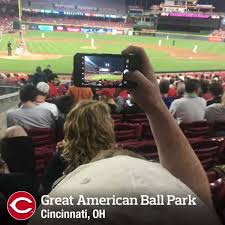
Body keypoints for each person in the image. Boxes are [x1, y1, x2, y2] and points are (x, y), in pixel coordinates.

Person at [29, 46, 220, 225]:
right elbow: (198, 204)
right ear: (109, 128)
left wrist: (155, 106)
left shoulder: (59, 163)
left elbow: (44, 192)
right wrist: (155, 106)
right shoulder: (133, 155)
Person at [41, 100, 116, 193]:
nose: (113, 122)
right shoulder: (118, 158)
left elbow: (46, 191)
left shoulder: (61, 159)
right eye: (108, 118)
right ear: (103, 127)